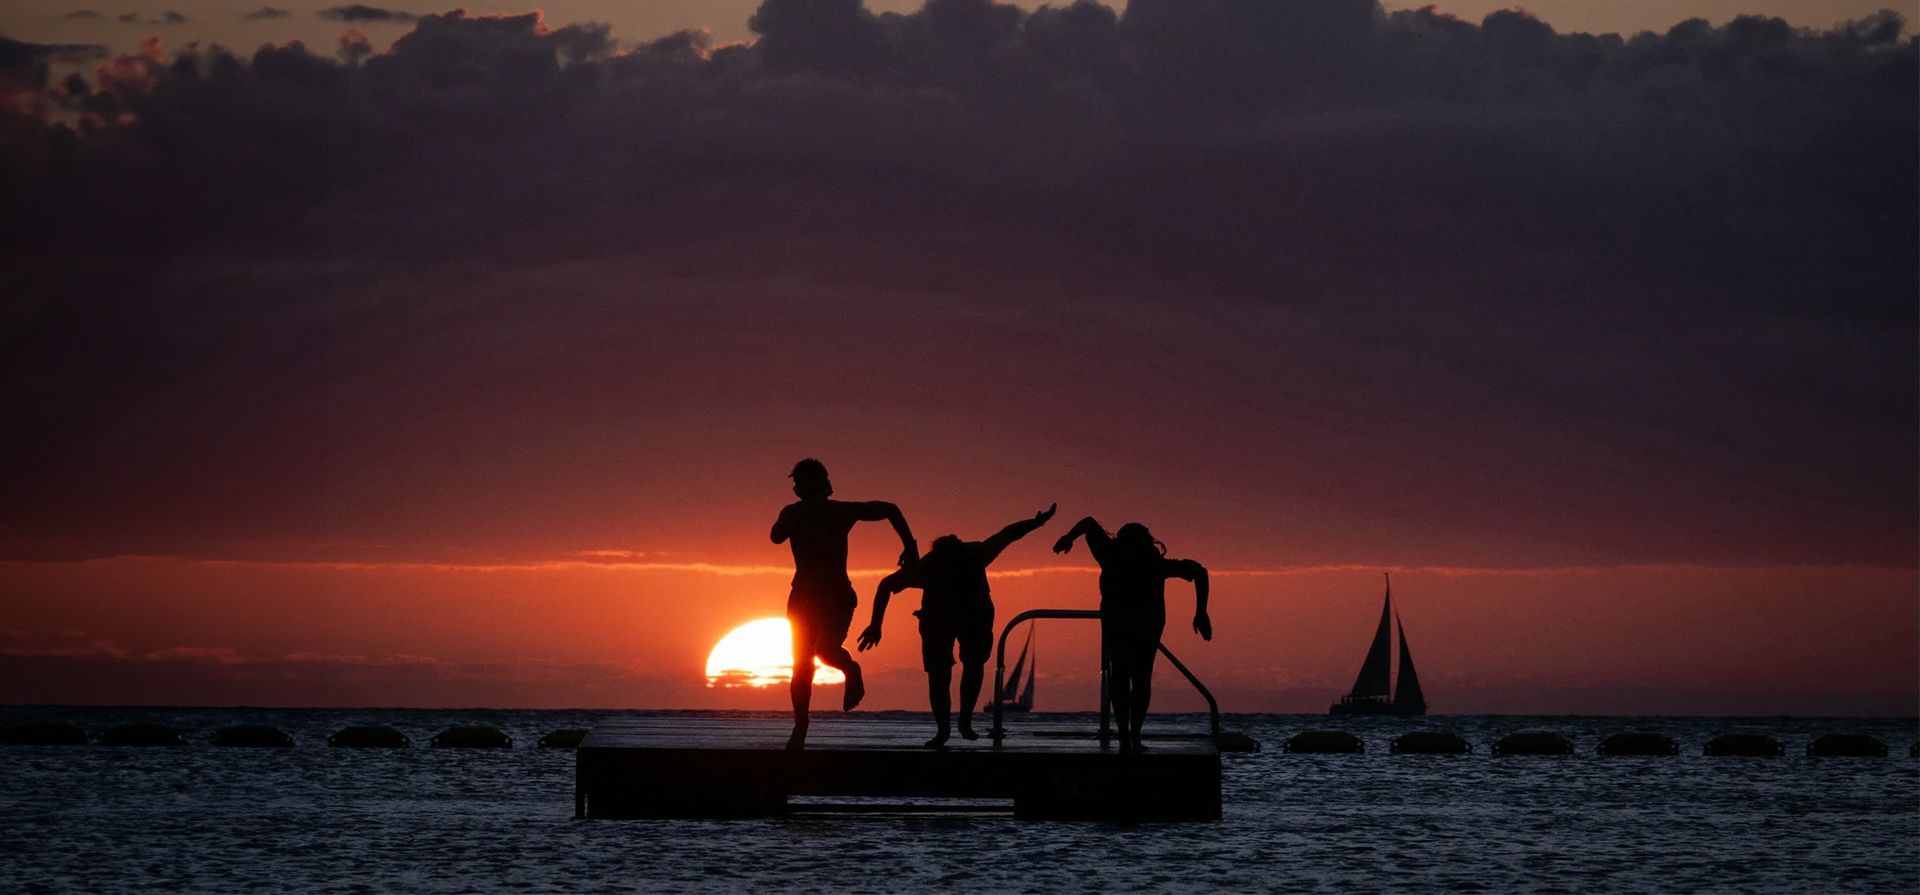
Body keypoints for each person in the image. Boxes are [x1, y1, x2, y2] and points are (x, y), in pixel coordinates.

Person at [858, 503, 1056, 748]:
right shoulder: (935, 565)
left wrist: (1035, 523)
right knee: (943, 673)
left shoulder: (970, 555)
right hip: (941, 618)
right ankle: (947, 727)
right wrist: (875, 624)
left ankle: (960, 722)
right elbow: (885, 585)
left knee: (965, 667)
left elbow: (1008, 534)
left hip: (972, 616)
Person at [771, 458, 916, 750]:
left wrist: (910, 545)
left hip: (836, 596)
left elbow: (890, 509)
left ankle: (850, 669)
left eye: (803, 485)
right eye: (797, 486)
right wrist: (810, 506)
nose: (798, 490)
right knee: (800, 666)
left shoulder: (841, 512)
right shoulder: (792, 513)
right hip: (802, 599)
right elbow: (776, 536)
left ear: (818, 485)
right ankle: (800, 728)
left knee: (825, 651)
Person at [1052, 517, 1210, 754]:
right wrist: (1201, 612)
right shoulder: (1153, 563)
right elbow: (1199, 571)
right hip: (1144, 623)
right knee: (1140, 678)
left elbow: (1088, 523)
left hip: (1123, 622)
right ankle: (1132, 736)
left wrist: (1068, 537)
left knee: (1122, 676)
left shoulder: (1111, 555)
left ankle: (1127, 737)